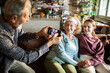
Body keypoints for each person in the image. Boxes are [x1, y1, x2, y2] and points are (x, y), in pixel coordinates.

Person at [0, 0, 63, 73]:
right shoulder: (1, 36)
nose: (28, 20)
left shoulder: (10, 21)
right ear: (14, 18)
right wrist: (50, 43)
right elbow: (26, 57)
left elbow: (21, 35)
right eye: (26, 16)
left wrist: (39, 33)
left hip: (11, 59)